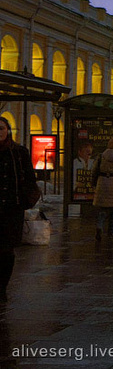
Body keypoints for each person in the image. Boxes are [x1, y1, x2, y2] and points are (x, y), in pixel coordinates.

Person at [0, 117, 38, 303]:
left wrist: (27, 200)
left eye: (1, 128)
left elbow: (30, 179)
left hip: (11, 209)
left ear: (8, 130)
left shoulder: (19, 152)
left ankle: (2, 286)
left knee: (7, 250)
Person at [93, 137, 113, 241]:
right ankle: (111, 232)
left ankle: (99, 226)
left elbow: (95, 170)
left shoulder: (101, 156)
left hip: (102, 182)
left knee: (102, 208)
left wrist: (94, 182)